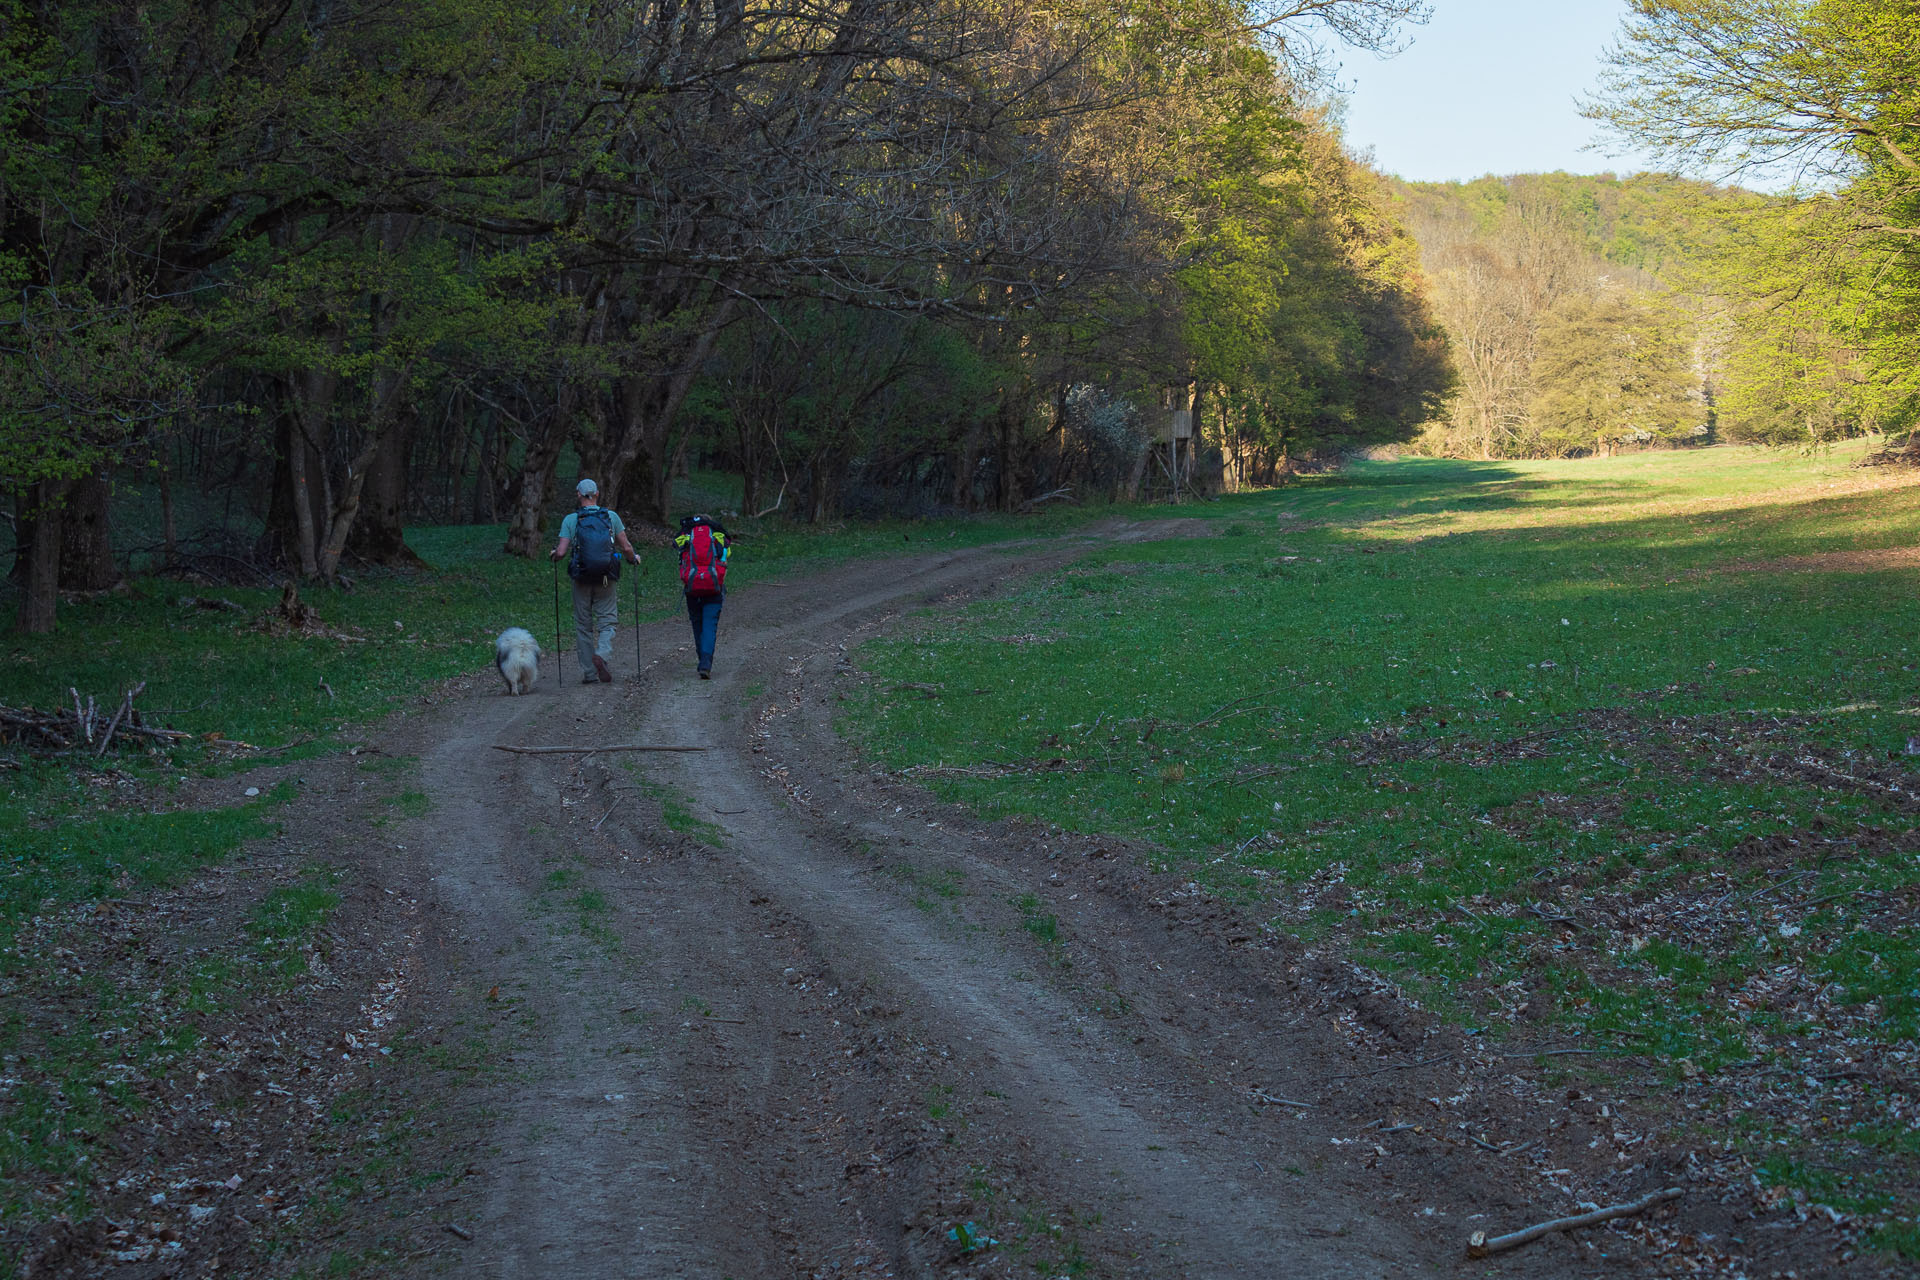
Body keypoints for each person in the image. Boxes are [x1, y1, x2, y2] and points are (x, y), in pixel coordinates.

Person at [549, 479, 639, 683]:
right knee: (607, 620)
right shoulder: (611, 516)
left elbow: (561, 552)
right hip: (606, 577)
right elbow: (626, 547)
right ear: (597, 494)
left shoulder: (571, 520)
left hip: (581, 578)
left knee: (583, 625)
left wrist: (554, 554)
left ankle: (590, 673)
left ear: (578, 495)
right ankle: (603, 653)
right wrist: (634, 559)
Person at [675, 514, 729, 679]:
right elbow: (725, 557)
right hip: (714, 588)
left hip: (692, 587)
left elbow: (676, 549)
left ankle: (702, 659)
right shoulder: (718, 536)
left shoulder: (686, 536)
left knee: (697, 624)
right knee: (710, 625)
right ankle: (706, 662)